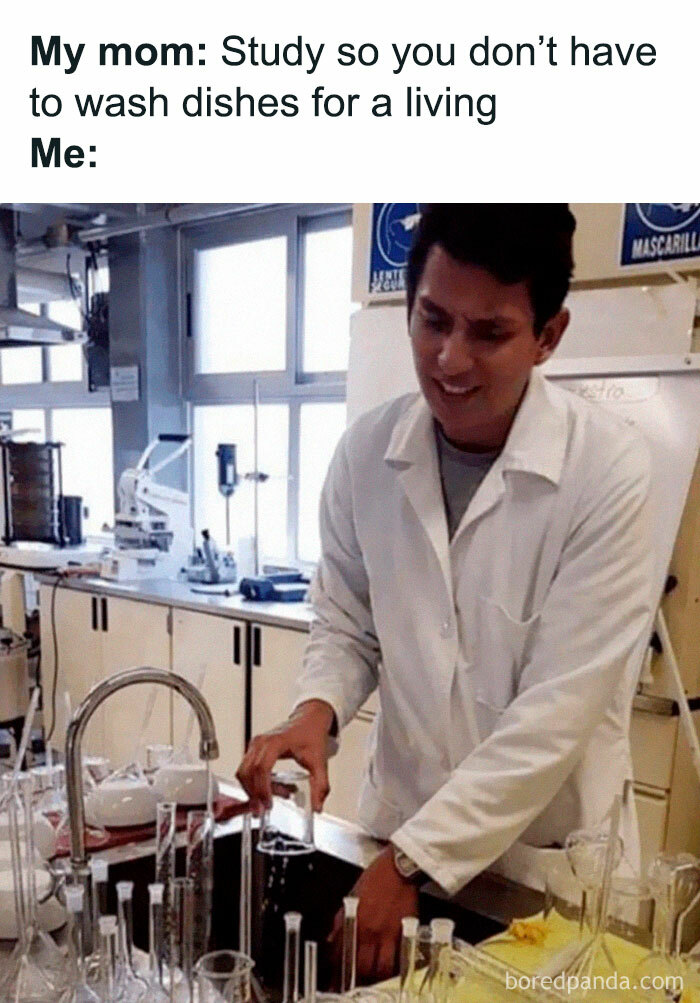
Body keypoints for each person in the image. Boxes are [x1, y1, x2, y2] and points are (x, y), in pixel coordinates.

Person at [237, 204, 655, 982]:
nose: (449, 358)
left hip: (542, 871)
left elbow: (556, 713)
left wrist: (415, 858)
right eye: (432, 320)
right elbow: (348, 618)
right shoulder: (368, 452)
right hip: (399, 834)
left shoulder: (608, 473)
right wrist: (316, 708)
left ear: (549, 336)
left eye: (489, 332)